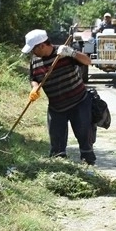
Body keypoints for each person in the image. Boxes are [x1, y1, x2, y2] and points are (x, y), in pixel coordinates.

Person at [21, 29, 96, 165]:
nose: (33, 52)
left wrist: (72, 53)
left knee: (85, 139)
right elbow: (33, 77)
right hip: (56, 107)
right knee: (57, 146)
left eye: (34, 49)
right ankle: (59, 168)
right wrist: (34, 87)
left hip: (79, 103)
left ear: (42, 45)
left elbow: (88, 61)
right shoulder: (35, 60)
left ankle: (89, 167)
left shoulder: (63, 53)